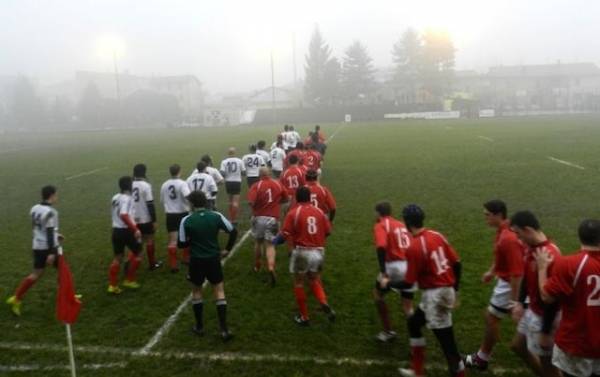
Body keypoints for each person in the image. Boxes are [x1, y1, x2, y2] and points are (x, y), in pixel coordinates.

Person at [399, 204, 465, 377]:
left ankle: (458, 372)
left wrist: (387, 282)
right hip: (445, 290)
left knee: (448, 345)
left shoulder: (414, 248)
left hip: (435, 295)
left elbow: (408, 282)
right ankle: (417, 370)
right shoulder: (436, 235)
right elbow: (457, 263)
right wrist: (455, 290)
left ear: (407, 223)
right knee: (414, 323)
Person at [465, 200, 525, 370]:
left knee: (493, 317)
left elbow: (517, 273)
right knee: (493, 317)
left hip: (510, 283)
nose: (485, 218)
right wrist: (491, 272)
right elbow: (501, 257)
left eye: (487, 215)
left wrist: (514, 302)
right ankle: (483, 356)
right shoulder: (503, 231)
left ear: (498, 215)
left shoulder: (508, 237)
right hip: (506, 280)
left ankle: (482, 358)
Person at [537, 219, 600, 377]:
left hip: (576, 345)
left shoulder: (569, 264)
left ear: (579, 237)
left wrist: (542, 268)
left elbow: (547, 297)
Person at [178, 191, 238, 341]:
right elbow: (233, 231)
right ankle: (224, 329)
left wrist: (193, 240)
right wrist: (227, 249)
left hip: (196, 260)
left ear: (192, 204)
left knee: (197, 291)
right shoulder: (216, 216)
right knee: (219, 290)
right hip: (213, 259)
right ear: (205, 202)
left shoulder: (186, 220)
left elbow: (181, 244)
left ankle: (199, 326)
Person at [273, 186, 335, 325]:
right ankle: (323, 302)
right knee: (313, 280)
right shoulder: (319, 212)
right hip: (319, 252)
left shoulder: (293, 212)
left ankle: (304, 317)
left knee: (299, 282)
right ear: (308, 197)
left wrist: (274, 241)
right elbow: (328, 232)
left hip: (302, 252)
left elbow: (284, 234)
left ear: (297, 197)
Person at [509, 211, 562, 377]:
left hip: (544, 317)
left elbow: (553, 299)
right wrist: (520, 303)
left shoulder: (550, 255)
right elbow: (526, 276)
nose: (518, 239)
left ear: (528, 230)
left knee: (548, 365)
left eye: (518, 233)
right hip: (532, 310)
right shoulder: (531, 249)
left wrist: (545, 332)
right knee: (518, 346)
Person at [6, 185, 63, 316]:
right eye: (56, 195)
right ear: (52, 196)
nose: (57, 197)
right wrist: (51, 252)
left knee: (36, 274)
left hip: (37, 245)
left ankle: (16, 298)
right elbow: (49, 232)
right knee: (63, 268)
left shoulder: (34, 208)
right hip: (48, 248)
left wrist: (56, 235)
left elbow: (40, 228)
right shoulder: (51, 212)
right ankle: (66, 295)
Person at [371, 202, 413, 342]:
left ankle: (388, 331)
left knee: (378, 294)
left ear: (378, 213)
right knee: (407, 305)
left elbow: (381, 247)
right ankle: (416, 339)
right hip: (409, 265)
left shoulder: (380, 225)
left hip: (393, 266)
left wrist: (383, 272)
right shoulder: (401, 224)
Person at [247, 167, 288, 286]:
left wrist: (256, 206)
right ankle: (270, 267)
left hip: (259, 217)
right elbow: (286, 198)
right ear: (269, 174)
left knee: (258, 242)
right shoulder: (277, 184)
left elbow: (251, 202)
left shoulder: (256, 185)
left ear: (259, 175)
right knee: (270, 245)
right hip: (273, 219)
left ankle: (257, 264)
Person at [108, 176, 143, 294]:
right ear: (129, 186)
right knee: (138, 254)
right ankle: (129, 279)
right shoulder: (127, 199)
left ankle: (112, 285)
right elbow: (123, 215)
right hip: (126, 230)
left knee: (118, 257)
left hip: (116, 231)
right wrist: (135, 229)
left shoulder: (115, 197)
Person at [160, 164, 192, 273]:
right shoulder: (182, 184)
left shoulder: (164, 184)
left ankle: (173, 265)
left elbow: (162, 200)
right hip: (182, 214)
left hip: (170, 215)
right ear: (180, 171)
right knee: (187, 236)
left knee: (172, 240)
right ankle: (186, 258)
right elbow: (188, 197)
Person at [132, 164, 161, 270]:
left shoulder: (129, 184)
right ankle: (152, 264)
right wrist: (154, 220)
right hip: (145, 218)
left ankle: (131, 264)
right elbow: (150, 204)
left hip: (132, 219)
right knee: (149, 240)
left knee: (137, 241)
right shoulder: (145, 185)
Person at [219, 147, 245, 225]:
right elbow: (244, 172)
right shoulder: (240, 161)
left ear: (228, 153)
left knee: (230, 202)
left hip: (228, 183)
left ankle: (230, 218)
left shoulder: (224, 162)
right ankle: (234, 219)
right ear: (234, 153)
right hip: (237, 182)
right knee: (235, 202)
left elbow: (222, 173)